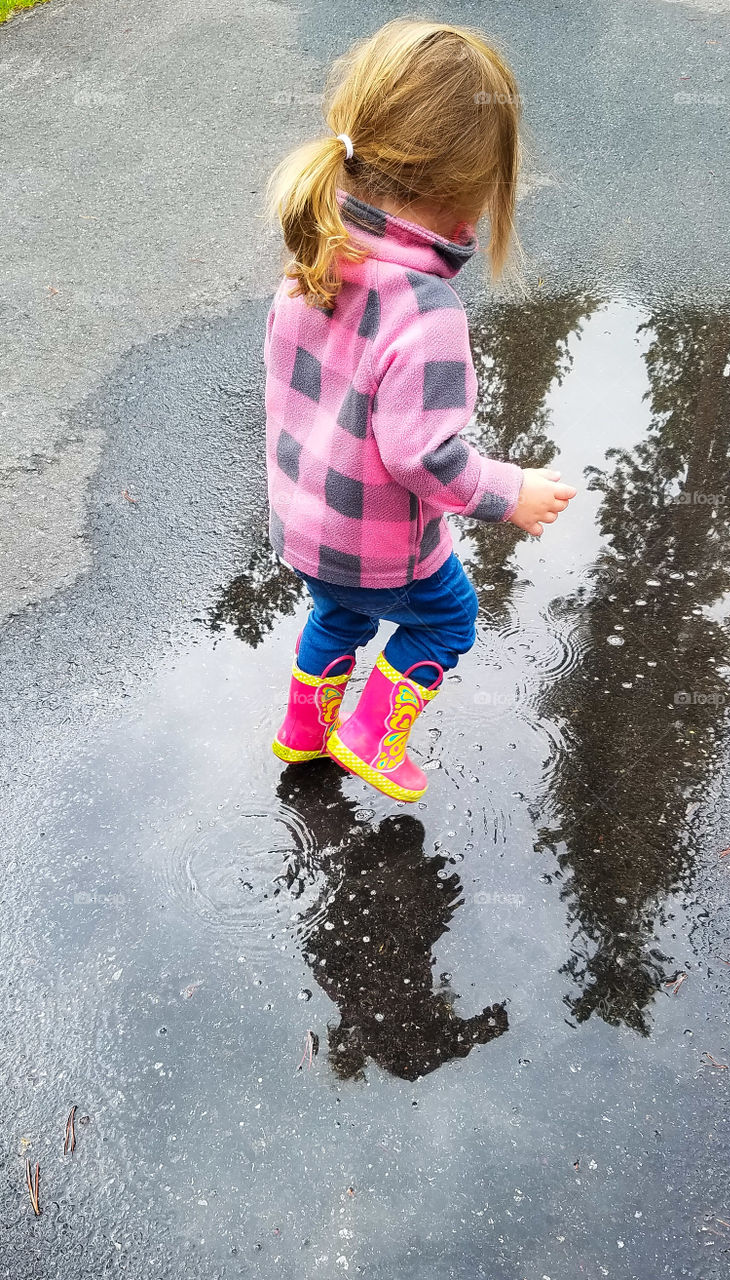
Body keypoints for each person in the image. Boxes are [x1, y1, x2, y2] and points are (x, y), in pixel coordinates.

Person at [263, 18, 575, 802]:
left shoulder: (315, 252)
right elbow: (424, 457)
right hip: (378, 544)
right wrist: (511, 494)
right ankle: (370, 735)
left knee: (337, 615)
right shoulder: (424, 307)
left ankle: (304, 732)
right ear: (464, 197)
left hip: (303, 524)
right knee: (444, 620)